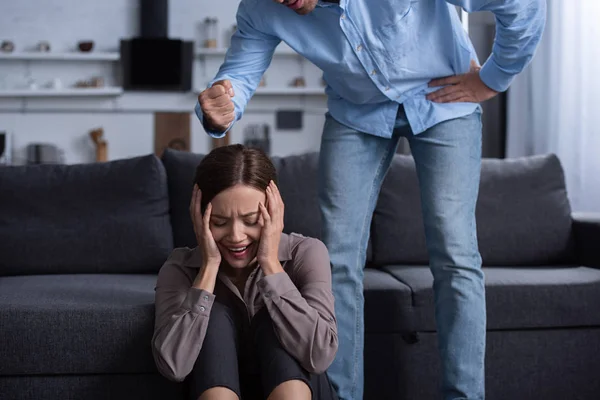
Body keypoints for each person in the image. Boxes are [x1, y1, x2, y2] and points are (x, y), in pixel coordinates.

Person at [193, 1, 547, 399]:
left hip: (444, 102)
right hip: (356, 113)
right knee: (337, 260)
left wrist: (495, 77)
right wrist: (220, 107)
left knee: (455, 253)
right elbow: (237, 78)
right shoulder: (261, 8)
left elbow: (521, 5)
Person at [151, 144, 339, 400]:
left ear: (274, 211)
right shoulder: (180, 267)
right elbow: (174, 366)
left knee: (276, 320)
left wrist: (271, 265)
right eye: (219, 222)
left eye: (251, 221)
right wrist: (208, 269)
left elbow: (319, 357)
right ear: (199, 217)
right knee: (213, 316)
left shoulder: (307, 253)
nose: (236, 236)